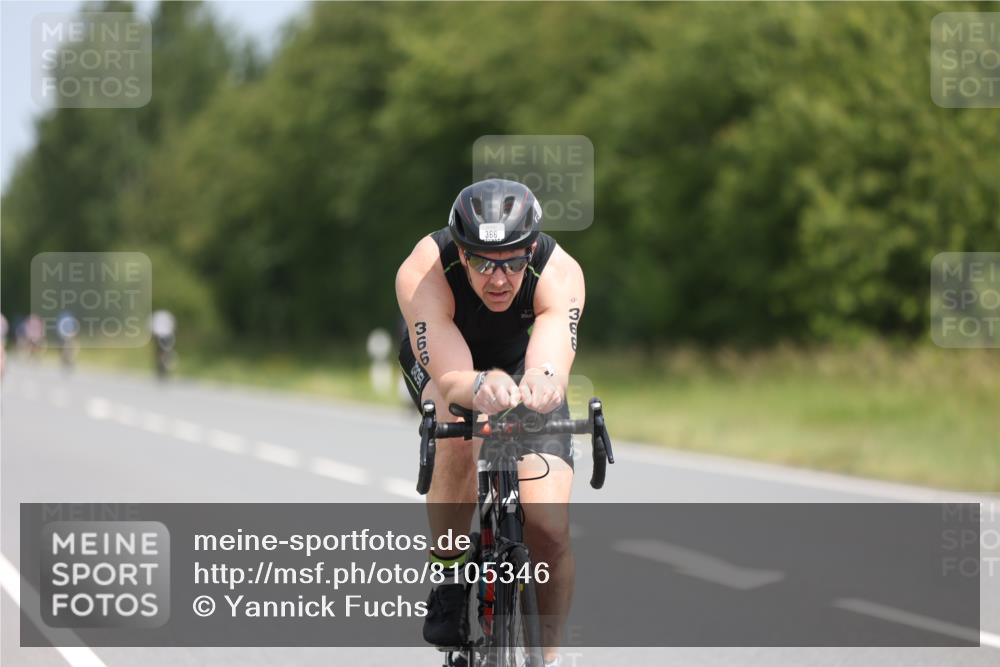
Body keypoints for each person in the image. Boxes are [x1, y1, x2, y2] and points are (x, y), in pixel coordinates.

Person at [396, 179, 585, 667]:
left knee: (548, 526)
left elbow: (550, 362)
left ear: (531, 249)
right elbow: (455, 375)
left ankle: (550, 656)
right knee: (456, 430)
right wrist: (477, 387)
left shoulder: (559, 270)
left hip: (520, 362)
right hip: (447, 362)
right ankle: (450, 576)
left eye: (513, 262)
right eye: (481, 262)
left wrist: (543, 383)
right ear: (461, 251)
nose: (498, 279)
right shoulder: (425, 270)